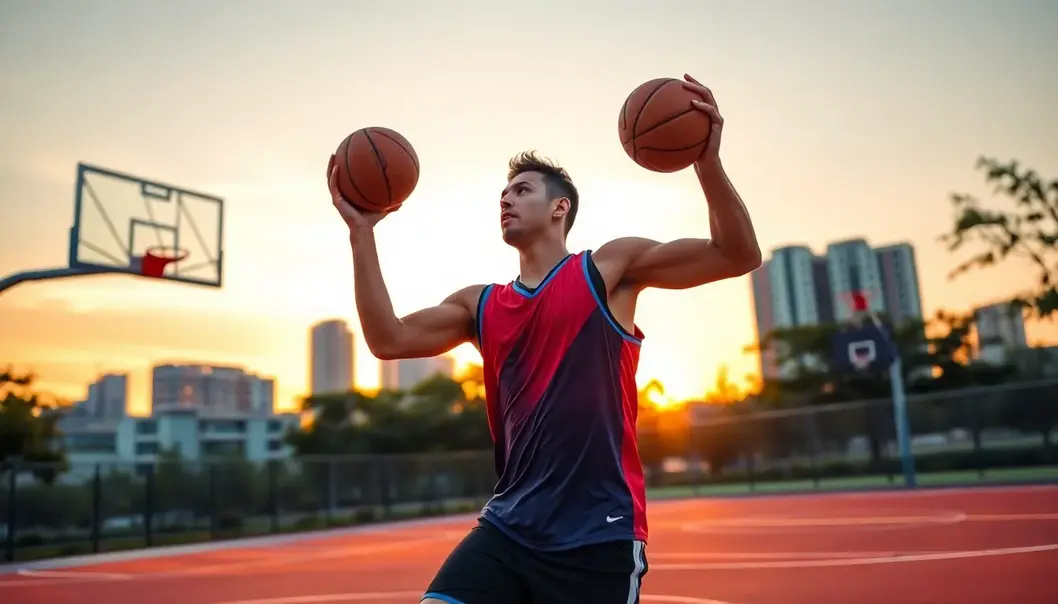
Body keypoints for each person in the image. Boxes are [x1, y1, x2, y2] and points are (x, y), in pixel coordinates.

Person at [327, 74, 761, 604]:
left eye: (522, 190)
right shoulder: (480, 304)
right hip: (508, 527)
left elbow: (736, 255)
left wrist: (705, 161)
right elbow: (387, 339)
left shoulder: (608, 269)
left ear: (560, 209)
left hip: (598, 531)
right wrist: (361, 232)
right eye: (504, 193)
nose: (506, 200)